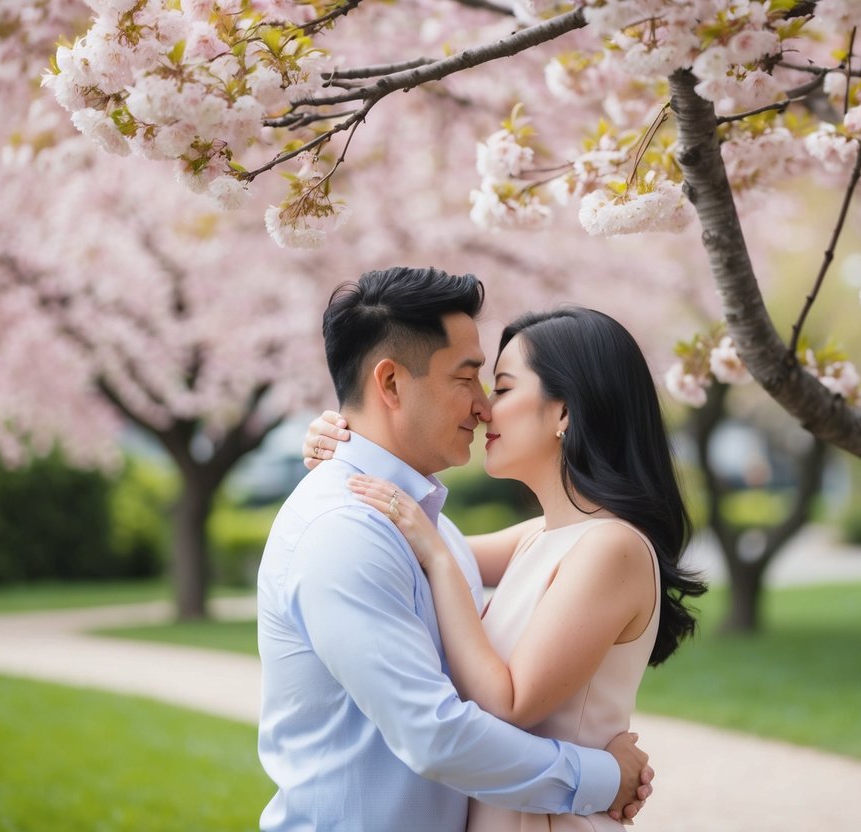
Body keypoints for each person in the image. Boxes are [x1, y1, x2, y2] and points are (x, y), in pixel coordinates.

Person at [257, 267, 652, 832]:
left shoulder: (423, 527)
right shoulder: (345, 530)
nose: (484, 405)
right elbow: (435, 735)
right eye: (468, 379)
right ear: (391, 384)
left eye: (498, 385)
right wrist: (604, 778)